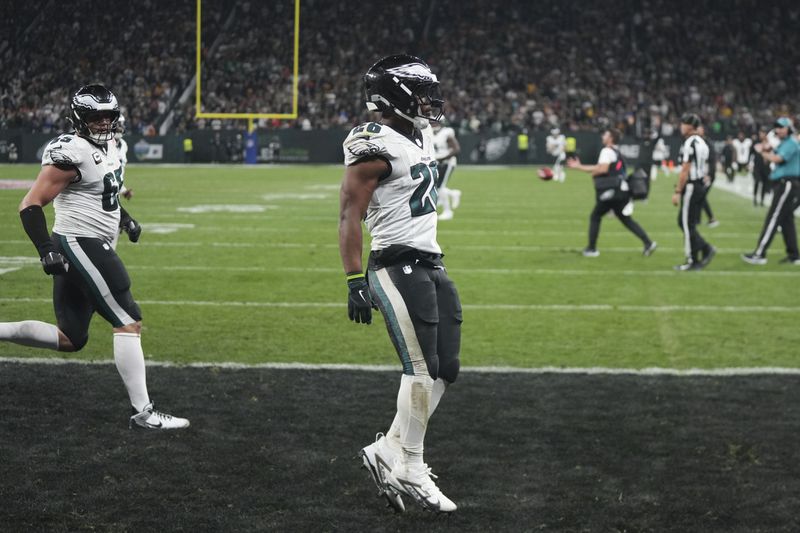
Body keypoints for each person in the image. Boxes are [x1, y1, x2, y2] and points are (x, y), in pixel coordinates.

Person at [0, 84, 189, 430]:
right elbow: (29, 204)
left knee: (71, 337)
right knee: (128, 318)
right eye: (95, 117)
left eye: (108, 116)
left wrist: (125, 218)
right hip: (79, 241)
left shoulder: (113, 146)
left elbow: (107, 193)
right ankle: (144, 413)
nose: (103, 123)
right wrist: (47, 249)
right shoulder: (71, 151)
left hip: (92, 240)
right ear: (79, 118)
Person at [339, 55, 460, 514]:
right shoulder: (374, 143)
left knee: (446, 366)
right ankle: (409, 464)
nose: (430, 101)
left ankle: (389, 448)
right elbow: (350, 213)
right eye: (421, 92)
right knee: (421, 368)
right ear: (395, 97)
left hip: (430, 259)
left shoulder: (418, 132)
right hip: (394, 263)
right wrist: (354, 279)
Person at [566, 128, 656, 258]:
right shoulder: (617, 152)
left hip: (612, 191)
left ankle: (591, 249)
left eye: (606, 134)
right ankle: (648, 243)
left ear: (611, 138)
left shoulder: (606, 151)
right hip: (621, 191)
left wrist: (579, 167)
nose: (603, 136)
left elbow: (603, 169)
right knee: (625, 219)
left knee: (595, 216)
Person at [741, 117, 800, 265]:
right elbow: (772, 156)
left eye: (781, 127)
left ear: (788, 129)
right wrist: (766, 149)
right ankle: (794, 255)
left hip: (786, 184)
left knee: (773, 218)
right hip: (784, 183)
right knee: (786, 221)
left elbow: (777, 159)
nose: (778, 130)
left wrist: (762, 152)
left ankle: (760, 253)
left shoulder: (791, 143)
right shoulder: (786, 143)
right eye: (777, 127)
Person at [672, 113, 715, 271]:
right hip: (699, 185)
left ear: (689, 126)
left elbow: (685, 169)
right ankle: (705, 248)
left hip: (691, 186)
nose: (680, 127)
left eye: (683, 124)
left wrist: (678, 190)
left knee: (685, 223)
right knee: (685, 222)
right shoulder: (702, 142)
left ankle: (692, 259)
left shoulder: (690, 142)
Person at [432, 120, 461, 221]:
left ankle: (448, 211)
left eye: (434, 122)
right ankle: (453, 193)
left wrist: (442, 158)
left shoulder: (446, 133)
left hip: (447, 163)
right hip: (437, 163)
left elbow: (456, 149)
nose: (433, 124)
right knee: (436, 186)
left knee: (440, 187)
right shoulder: (429, 133)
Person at [697, 124, 719, 227]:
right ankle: (698, 219)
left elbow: (712, 160)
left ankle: (711, 218)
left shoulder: (708, 143)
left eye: (699, 129)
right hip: (700, 174)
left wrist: (710, 175)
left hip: (707, 175)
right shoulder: (697, 142)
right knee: (699, 196)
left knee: (701, 196)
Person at [751, 129, 770, 206]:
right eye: (760, 133)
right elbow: (751, 152)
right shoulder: (756, 142)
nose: (761, 135)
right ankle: (755, 198)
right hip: (757, 166)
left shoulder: (769, 143)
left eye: (762, 133)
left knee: (764, 183)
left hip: (765, 166)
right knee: (757, 181)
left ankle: (762, 200)